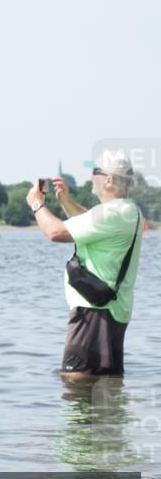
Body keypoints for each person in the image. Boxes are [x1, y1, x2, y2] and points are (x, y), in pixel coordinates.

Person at [28, 152, 144, 380]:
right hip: (113, 312)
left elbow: (55, 232)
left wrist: (36, 203)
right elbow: (91, 222)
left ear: (109, 180)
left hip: (93, 312)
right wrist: (65, 202)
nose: (91, 178)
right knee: (107, 388)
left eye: (94, 173)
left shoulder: (112, 212)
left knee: (76, 381)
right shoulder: (127, 211)